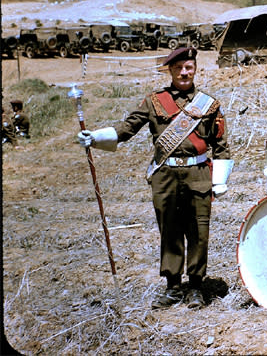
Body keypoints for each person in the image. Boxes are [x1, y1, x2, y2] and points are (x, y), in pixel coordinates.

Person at [77, 47, 233, 309]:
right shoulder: (154, 101)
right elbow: (127, 129)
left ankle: (195, 286)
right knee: (169, 230)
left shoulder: (209, 104)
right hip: (165, 176)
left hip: (198, 175)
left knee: (198, 232)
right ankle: (173, 286)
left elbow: (221, 144)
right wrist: (94, 137)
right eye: (179, 68)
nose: (184, 73)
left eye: (189, 68)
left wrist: (219, 179)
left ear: (195, 69)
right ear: (170, 70)